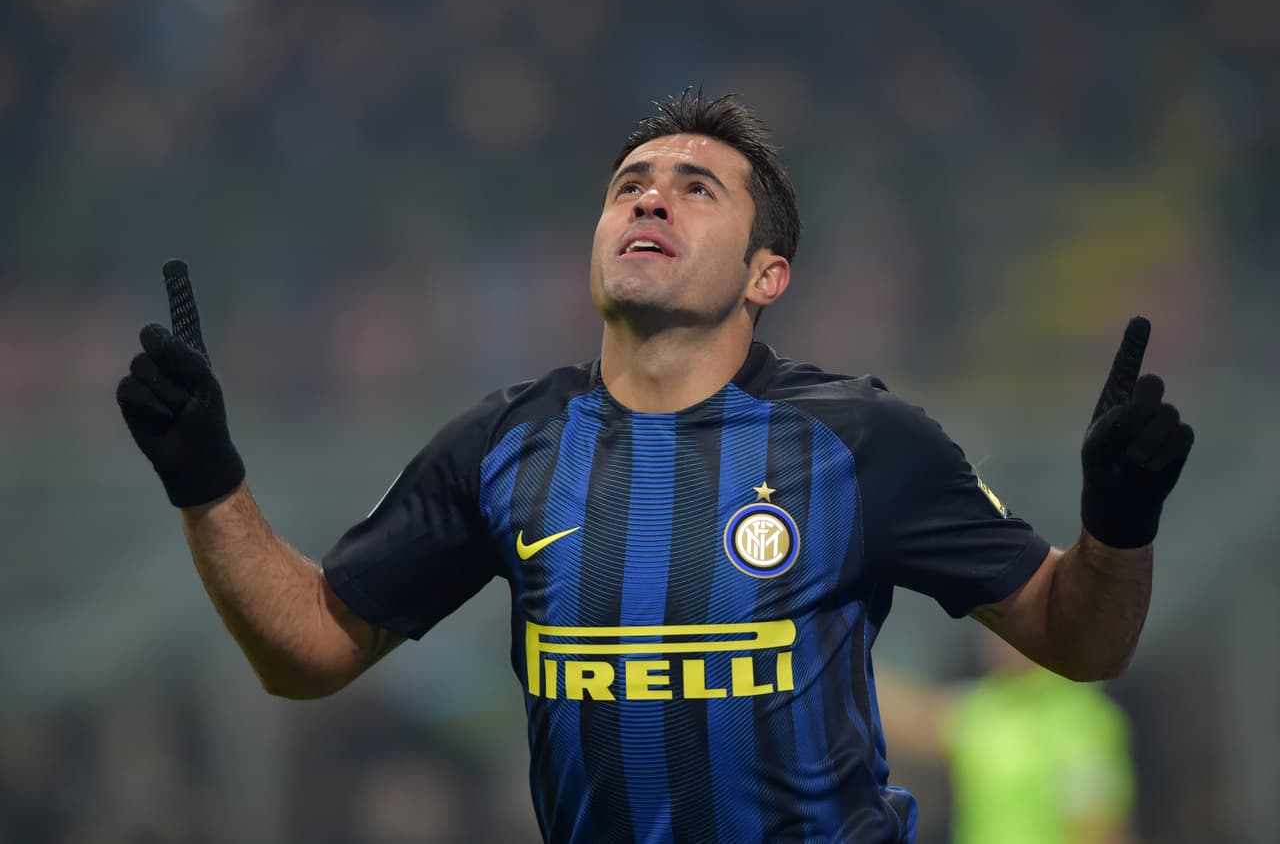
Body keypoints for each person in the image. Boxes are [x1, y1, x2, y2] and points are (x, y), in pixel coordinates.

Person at [115, 90, 1194, 843]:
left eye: (693, 188)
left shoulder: (864, 442)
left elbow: (1077, 639)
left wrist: (1119, 519)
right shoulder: (501, 445)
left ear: (766, 272)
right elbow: (305, 649)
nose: (647, 197)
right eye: (629, 182)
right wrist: (206, 482)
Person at [877, 636, 1138, 844]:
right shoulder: (989, 706)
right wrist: (841, 646)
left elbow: (1099, 832)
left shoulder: (1081, 720)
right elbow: (908, 715)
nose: (993, 636)